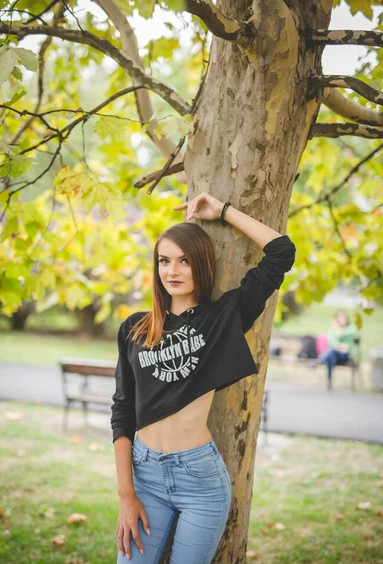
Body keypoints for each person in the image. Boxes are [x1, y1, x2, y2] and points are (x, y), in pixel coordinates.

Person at [110, 192, 296, 563]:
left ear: (202, 266)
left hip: (200, 481)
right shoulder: (134, 328)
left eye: (184, 261)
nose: (172, 271)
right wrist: (126, 495)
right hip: (144, 475)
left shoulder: (222, 319)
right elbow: (122, 411)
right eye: (164, 261)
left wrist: (223, 211)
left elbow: (281, 252)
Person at [316, 310, 360, 389]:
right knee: (331, 356)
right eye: (340, 318)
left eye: (344, 317)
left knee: (331, 352)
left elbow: (351, 345)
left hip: (346, 356)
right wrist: (340, 345)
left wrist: (339, 333)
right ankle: (329, 381)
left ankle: (319, 360)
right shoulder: (333, 330)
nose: (343, 319)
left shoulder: (350, 328)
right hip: (335, 354)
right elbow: (332, 342)